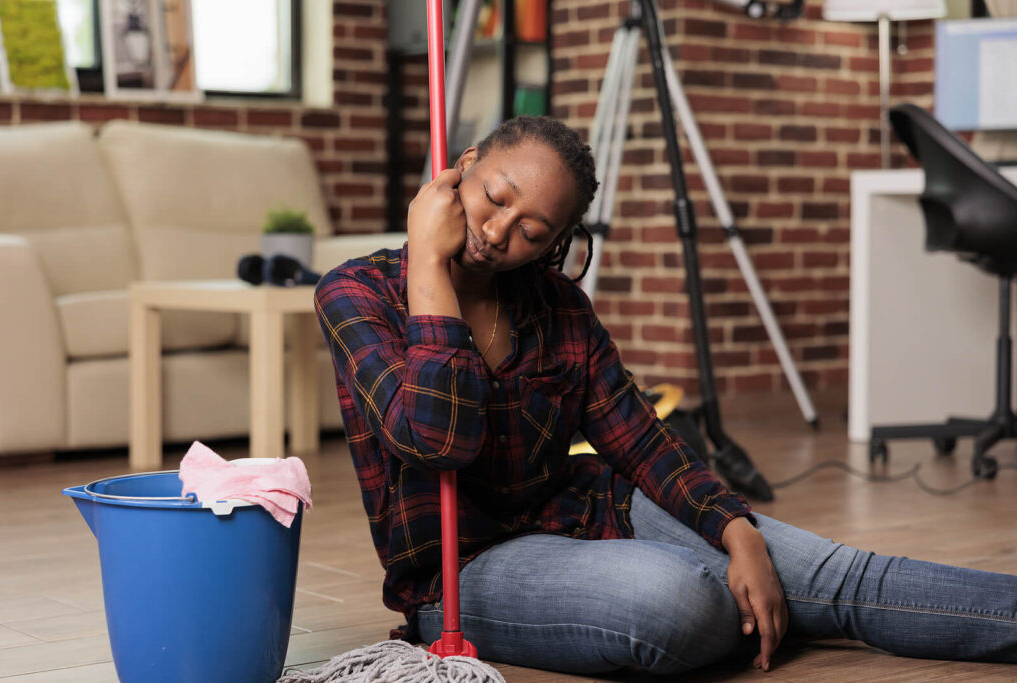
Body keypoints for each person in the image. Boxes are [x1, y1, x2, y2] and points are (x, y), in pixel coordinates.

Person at [315, 116, 1017, 676]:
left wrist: (735, 529)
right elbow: (437, 439)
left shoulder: (557, 305)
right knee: (678, 596)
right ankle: (739, 603)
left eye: (532, 231)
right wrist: (428, 262)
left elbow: (641, 439)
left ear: (555, 242)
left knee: (833, 572)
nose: (499, 232)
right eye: (494, 198)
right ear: (461, 167)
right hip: (461, 574)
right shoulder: (355, 295)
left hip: (588, 510)